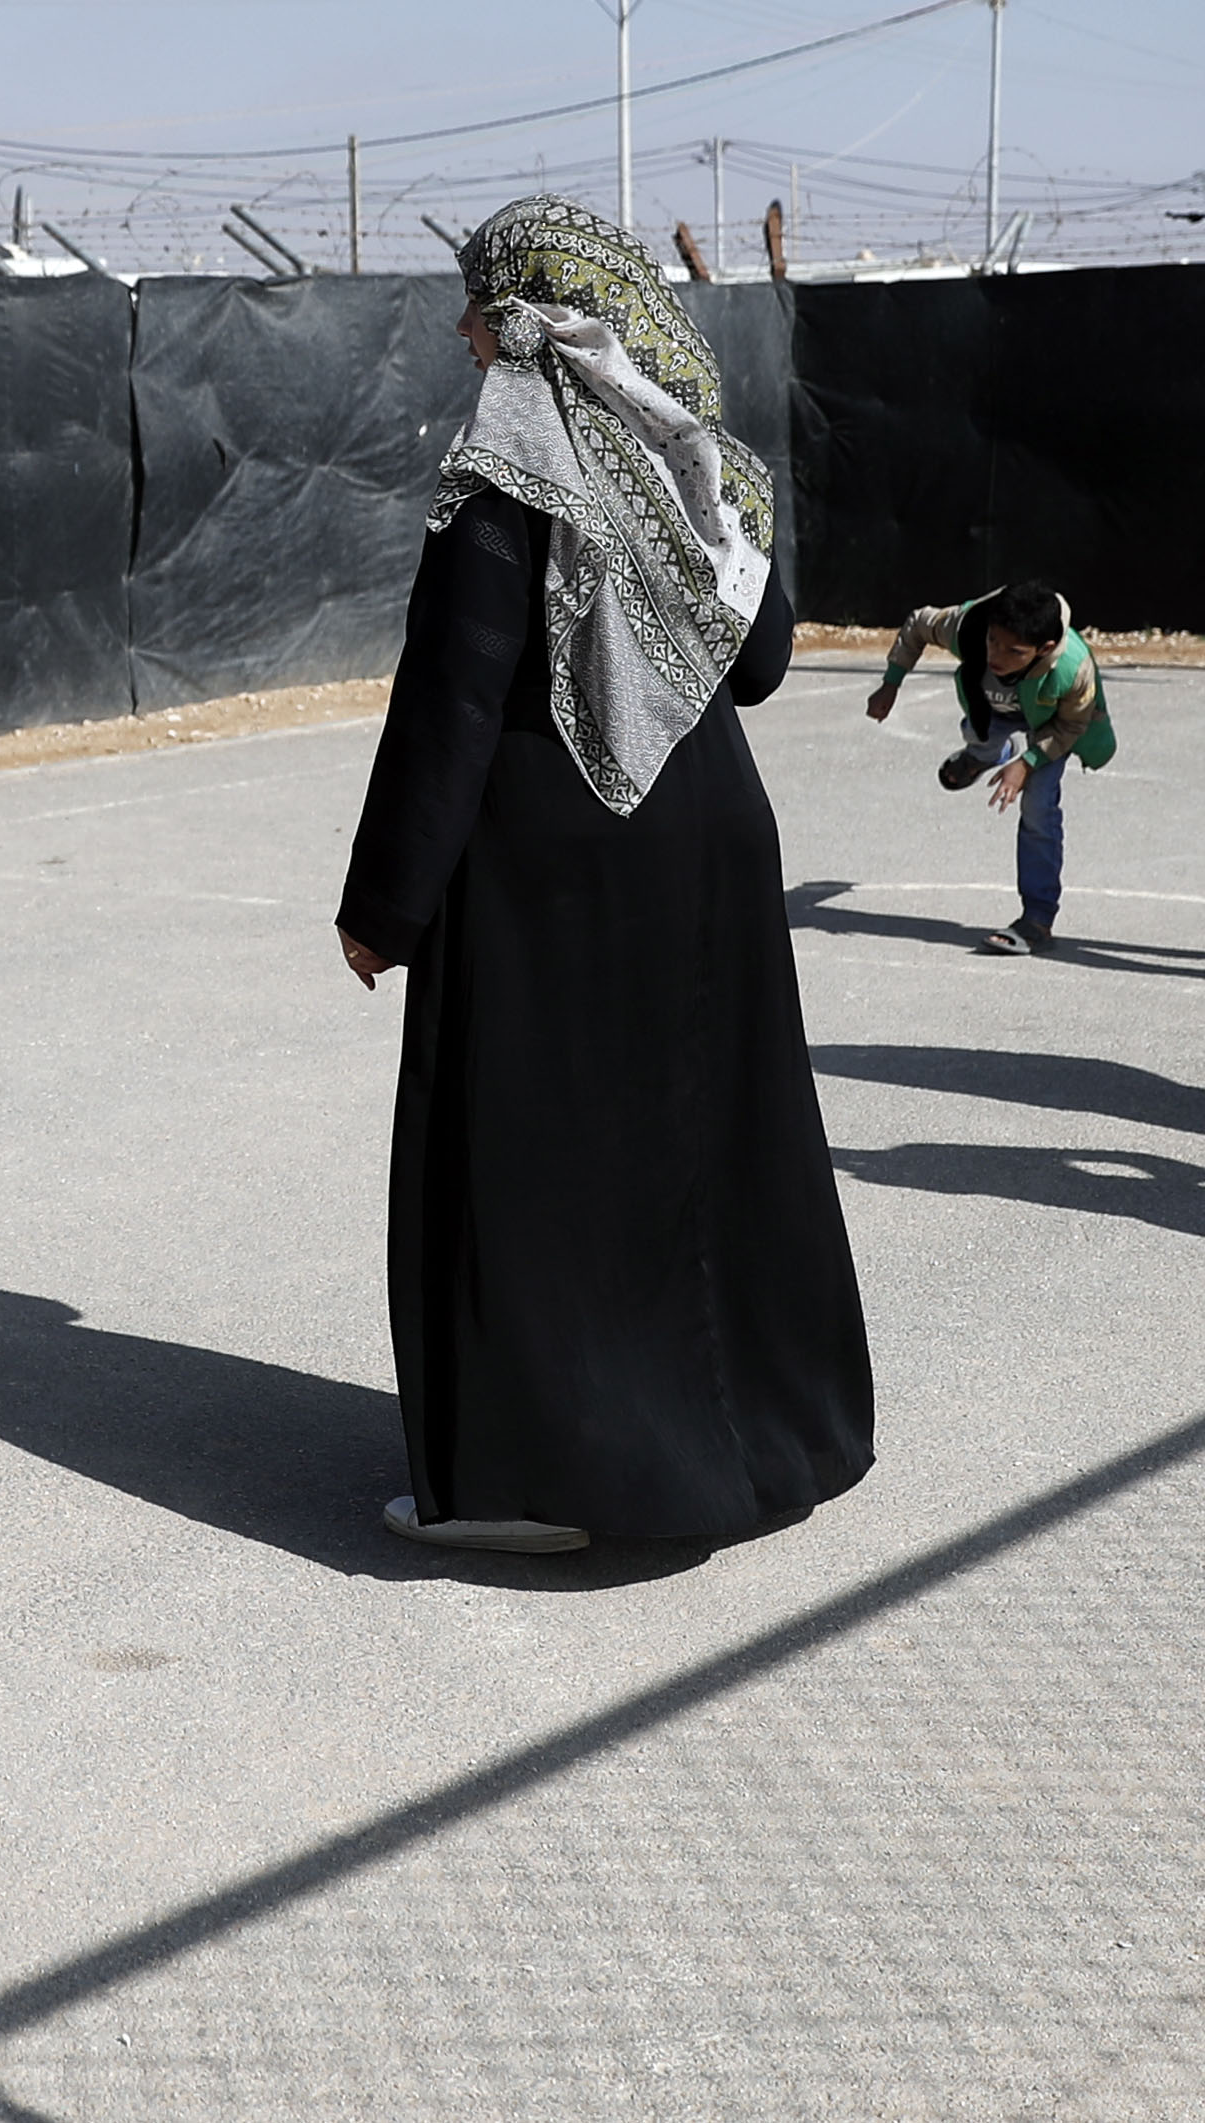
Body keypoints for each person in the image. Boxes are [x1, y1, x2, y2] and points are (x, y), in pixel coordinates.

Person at [335, 198, 872, 1559]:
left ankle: (545, 1479)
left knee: (537, 1171)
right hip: (710, 852)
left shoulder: (512, 463)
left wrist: (385, 903)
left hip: (554, 877)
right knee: (700, 1158)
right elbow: (761, 658)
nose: (462, 331)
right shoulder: (682, 460)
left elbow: (454, 698)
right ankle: (756, 1443)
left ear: (523, 321)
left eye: (476, 304)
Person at [866, 580, 1116, 955]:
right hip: (990, 715)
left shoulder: (1073, 668)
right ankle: (989, 756)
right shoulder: (967, 625)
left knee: (1038, 808)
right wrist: (891, 683)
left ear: (1044, 649)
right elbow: (919, 623)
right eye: (993, 642)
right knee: (979, 736)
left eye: (1014, 651)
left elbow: (1071, 726)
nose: (997, 656)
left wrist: (1028, 763)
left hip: (1048, 728)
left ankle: (1037, 920)